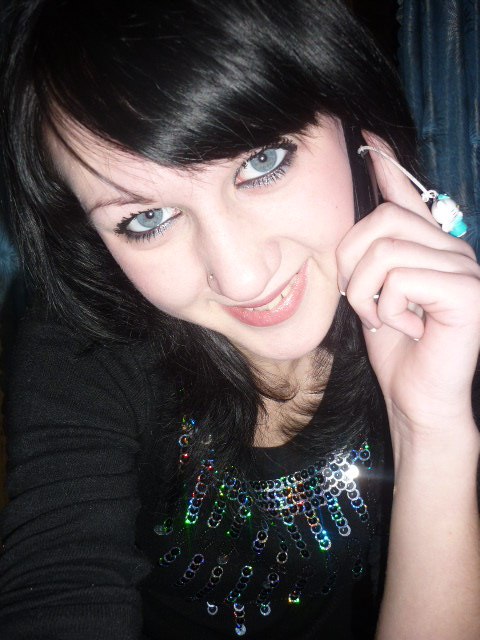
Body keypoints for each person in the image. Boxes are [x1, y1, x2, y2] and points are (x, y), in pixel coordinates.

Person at [0, 1, 479, 638]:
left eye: (261, 162)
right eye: (147, 219)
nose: (243, 278)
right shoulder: (82, 353)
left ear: (352, 121)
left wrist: (431, 428)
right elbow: (60, 584)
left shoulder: (437, 320)